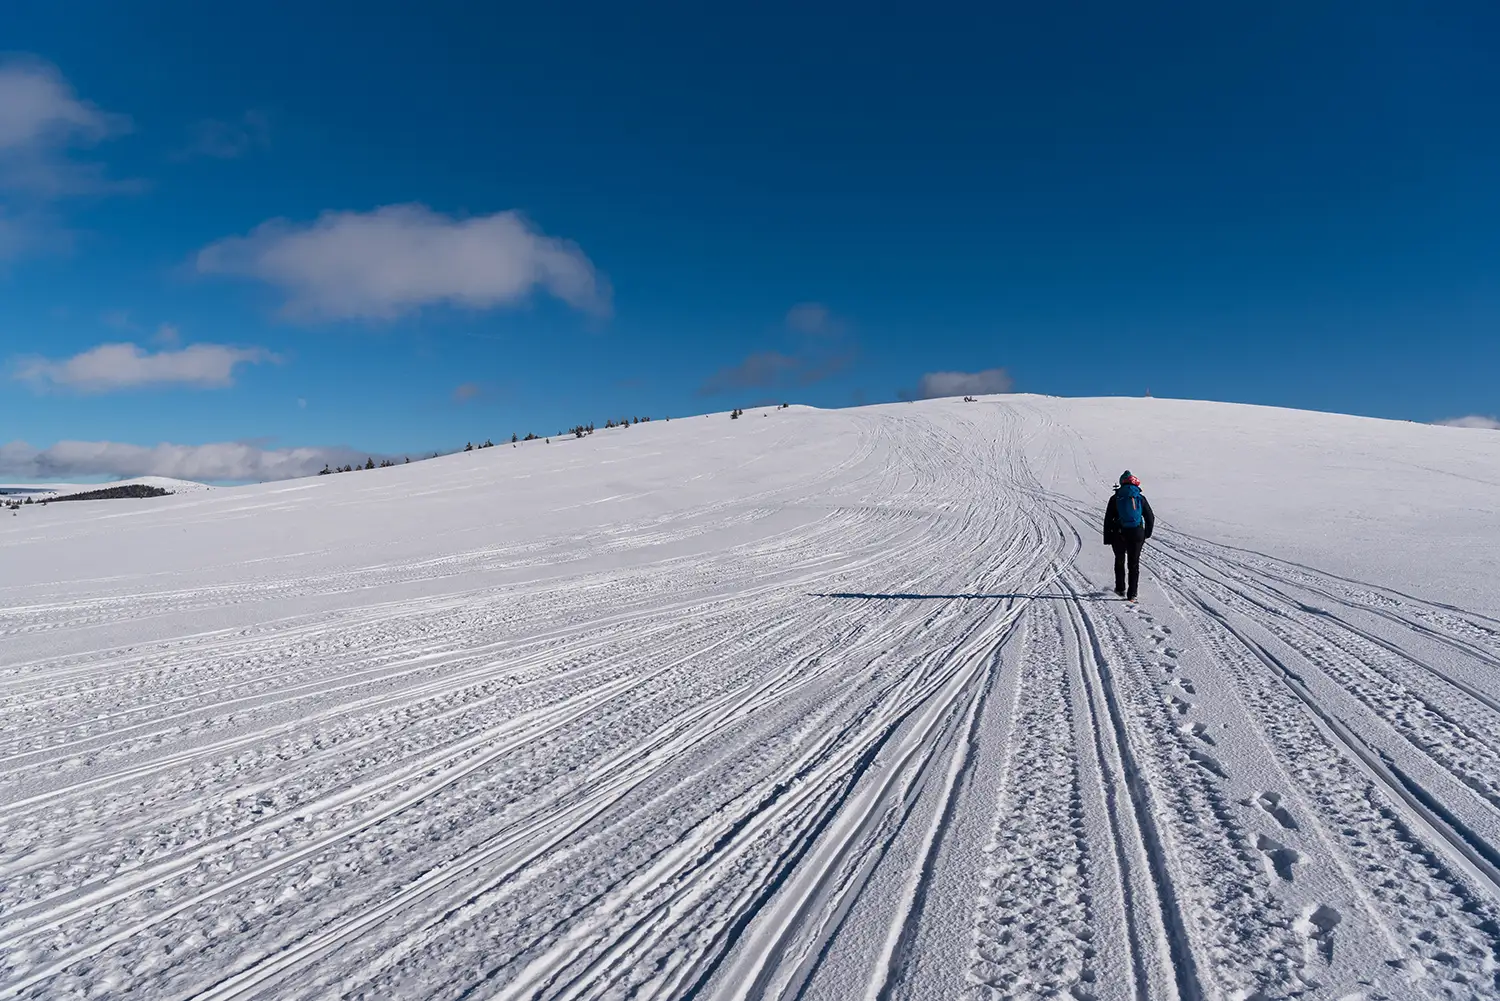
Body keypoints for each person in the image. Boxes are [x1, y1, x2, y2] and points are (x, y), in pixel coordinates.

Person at [1102, 471, 1154, 600]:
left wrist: (1108, 538)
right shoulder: (1140, 498)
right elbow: (1150, 517)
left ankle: (1120, 589)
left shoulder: (1115, 498)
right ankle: (1132, 594)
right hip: (1137, 534)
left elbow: (1108, 519)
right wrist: (1146, 534)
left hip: (1119, 534)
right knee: (1133, 564)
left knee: (1119, 561)